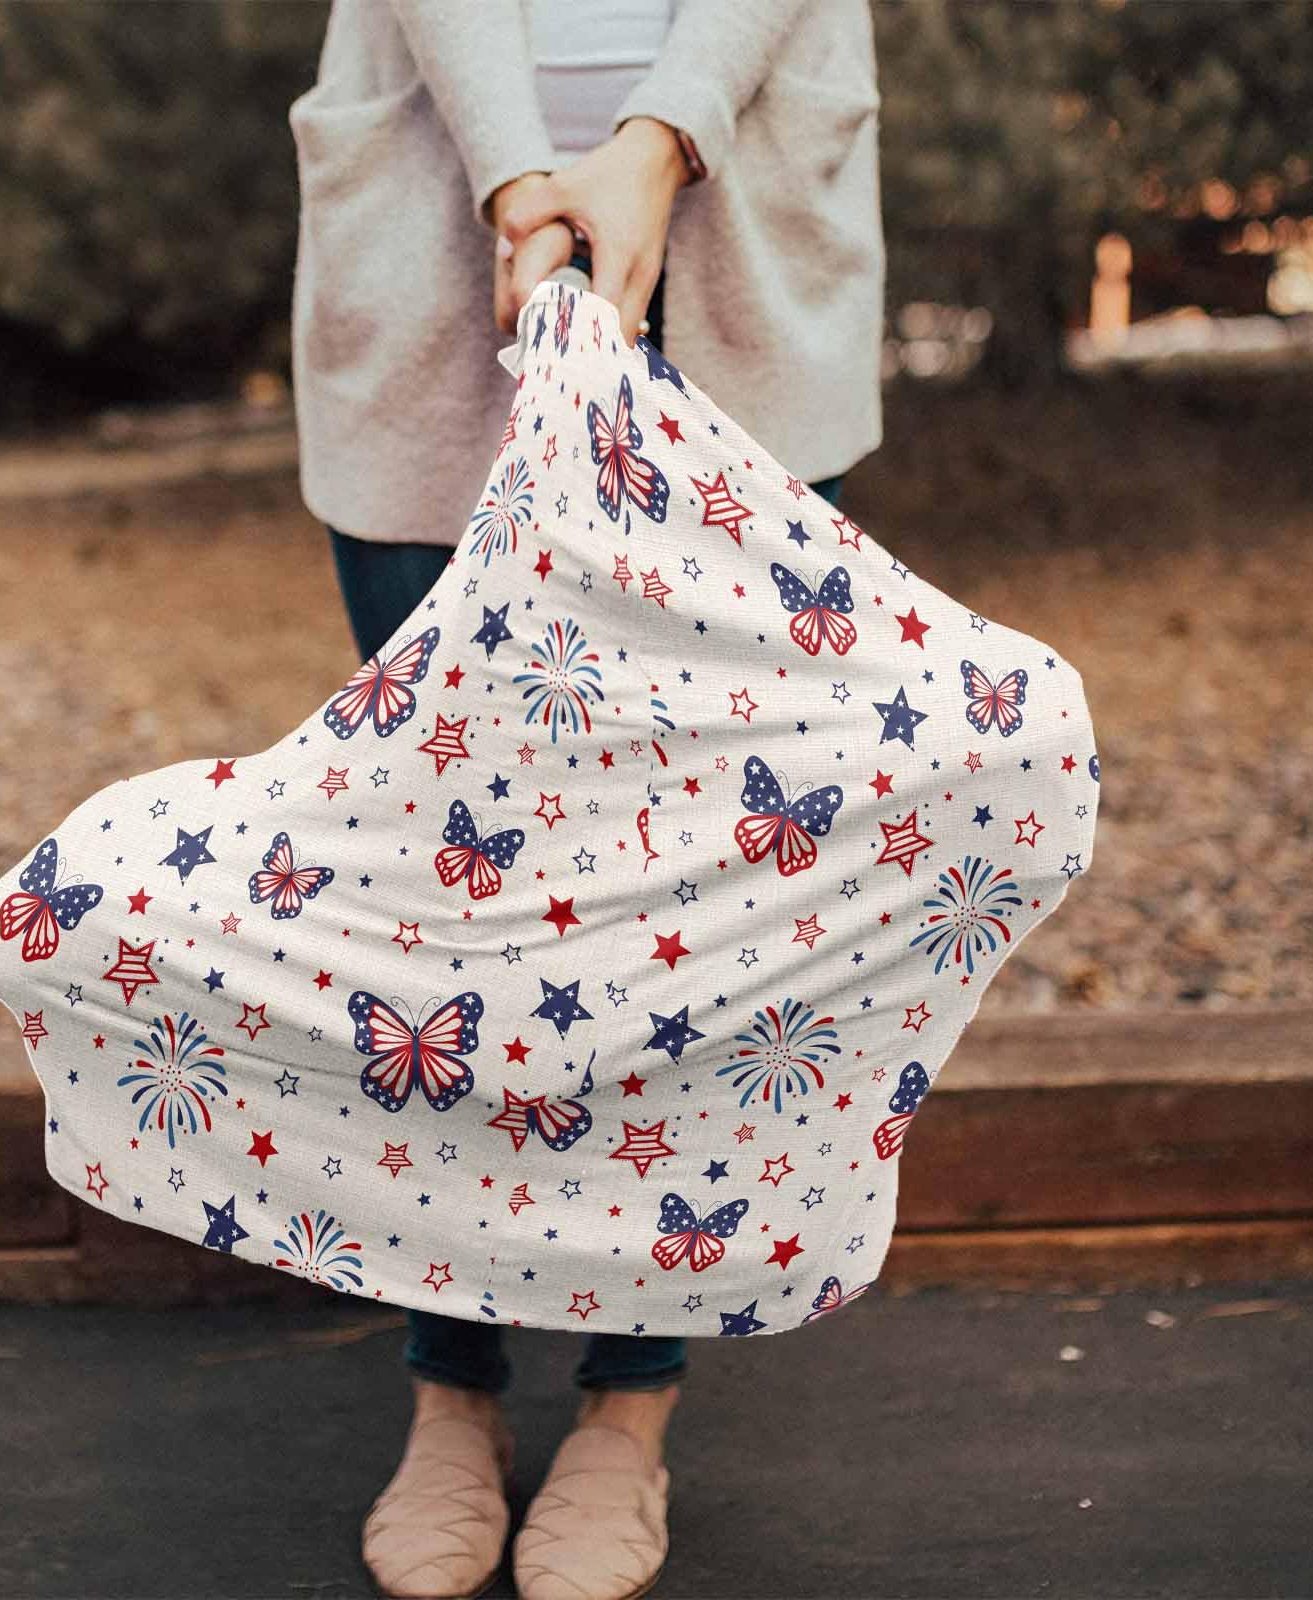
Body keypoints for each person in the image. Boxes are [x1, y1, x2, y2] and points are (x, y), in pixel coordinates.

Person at [286, 4, 883, 1596]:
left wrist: (656, 138)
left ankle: (630, 1406)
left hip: (738, 224)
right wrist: (515, 179)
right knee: (446, 880)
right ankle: (452, 1387)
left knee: (689, 890)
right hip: (440, 224)